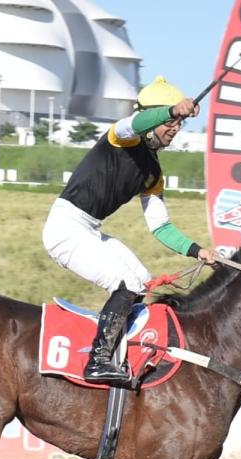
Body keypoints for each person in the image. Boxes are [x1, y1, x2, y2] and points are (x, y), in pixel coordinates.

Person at [42, 76, 215, 386]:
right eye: (170, 122)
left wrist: (198, 250)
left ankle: (123, 351)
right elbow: (134, 124)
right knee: (123, 282)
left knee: (141, 280)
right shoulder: (121, 137)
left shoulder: (154, 173)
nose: (175, 128)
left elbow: (160, 226)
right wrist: (172, 110)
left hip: (89, 229)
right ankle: (97, 361)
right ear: (152, 118)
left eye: (179, 123)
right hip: (64, 228)